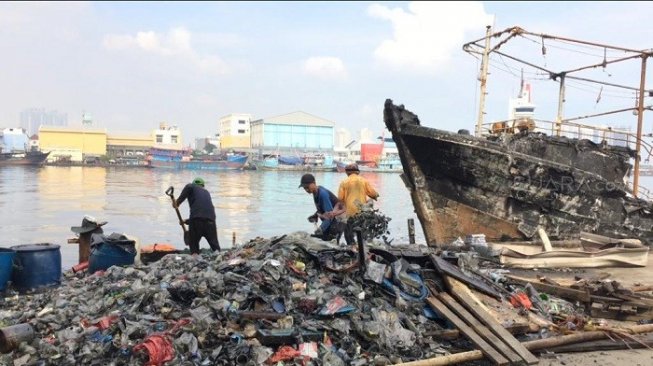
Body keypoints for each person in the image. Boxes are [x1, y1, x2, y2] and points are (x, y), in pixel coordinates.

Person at [174, 177, 221, 255]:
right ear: (203, 186)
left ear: (194, 184)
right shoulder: (206, 193)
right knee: (215, 248)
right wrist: (186, 221)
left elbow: (188, 186)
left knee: (194, 245)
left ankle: (195, 259)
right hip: (211, 222)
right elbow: (203, 213)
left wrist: (178, 202)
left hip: (196, 221)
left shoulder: (191, 186)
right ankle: (220, 258)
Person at [338, 164, 380, 244]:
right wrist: (376, 195)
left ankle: (351, 247)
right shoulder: (363, 181)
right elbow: (372, 193)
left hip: (349, 212)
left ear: (347, 173)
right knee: (362, 232)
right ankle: (363, 247)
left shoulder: (343, 182)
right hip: (361, 212)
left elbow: (340, 198)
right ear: (358, 172)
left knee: (348, 233)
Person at [298, 173, 346, 243]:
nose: (306, 189)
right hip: (331, 220)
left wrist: (321, 229)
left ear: (314, 183)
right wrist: (316, 215)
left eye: (307, 187)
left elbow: (330, 216)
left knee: (331, 243)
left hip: (338, 221)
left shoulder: (323, 194)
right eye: (304, 188)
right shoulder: (315, 192)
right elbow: (322, 208)